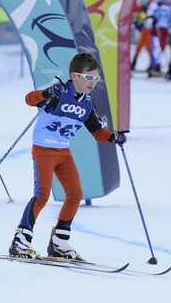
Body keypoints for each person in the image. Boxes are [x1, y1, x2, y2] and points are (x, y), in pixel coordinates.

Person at [8, 52, 128, 260]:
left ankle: (59, 242)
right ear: (74, 76)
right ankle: (21, 241)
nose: (93, 83)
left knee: (75, 195)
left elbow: (97, 132)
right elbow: (29, 99)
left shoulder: (87, 102)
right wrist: (46, 93)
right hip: (44, 150)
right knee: (41, 195)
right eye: (88, 77)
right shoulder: (60, 92)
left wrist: (113, 137)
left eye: (96, 78)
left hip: (64, 152)